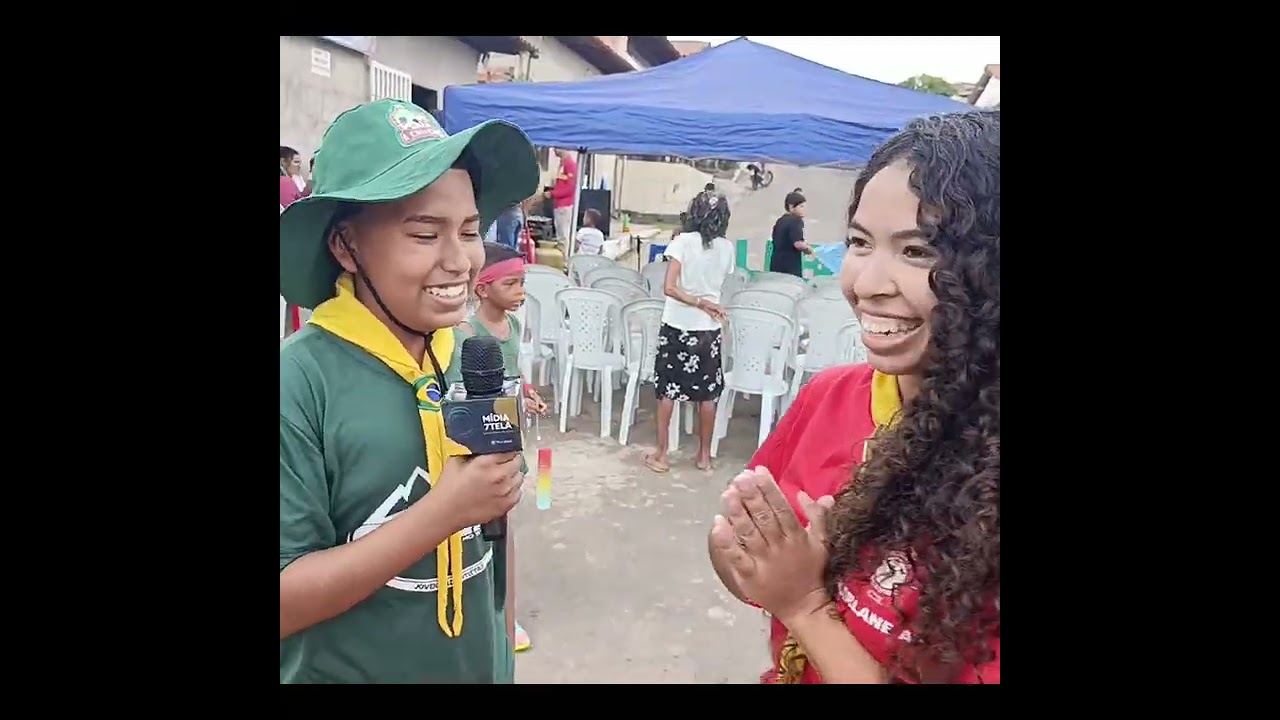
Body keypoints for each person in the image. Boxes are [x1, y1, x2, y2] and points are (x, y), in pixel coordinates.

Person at [707, 110, 1000, 684]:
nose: (866, 283)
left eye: (918, 251)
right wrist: (748, 553)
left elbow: (790, 598)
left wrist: (805, 605)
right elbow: (746, 569)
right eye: (860, 243)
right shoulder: (830, 395)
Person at [279, 98, 540, 684]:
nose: (460, 261)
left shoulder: (477, 354)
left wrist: (501, 649)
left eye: (470, 231)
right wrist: (442, 513)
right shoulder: (300, 384)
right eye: (424, 233)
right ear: (345, 246)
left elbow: (496, 524)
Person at [445, 242, 548, 656]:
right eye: (511, 283)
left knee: (504, 529)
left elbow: (513, 372)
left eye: (523, 282)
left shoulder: (514, 327)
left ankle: (506, 612)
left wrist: (526, 392)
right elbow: (462, 395)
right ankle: (479, 608)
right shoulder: (465, 335)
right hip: (479, 446)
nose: (520, 291)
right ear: (483, 288)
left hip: (510, 439)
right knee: (477, 530)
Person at [643, 192, 734, 474]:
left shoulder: (682, 242)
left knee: (667, 391)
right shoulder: (727, 248)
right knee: (707, 395)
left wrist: (698, 301)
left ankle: (662, 455)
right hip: (708, 329)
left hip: (677, 325)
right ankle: (704, 456)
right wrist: (706, 302)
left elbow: (669, 287)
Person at [769, 190, 813, 277]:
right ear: (791, 207)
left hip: (775, 265)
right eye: (801, 206)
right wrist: (809, 249)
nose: (804, 209)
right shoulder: (796, 221)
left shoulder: (780, 221)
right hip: (790, 268)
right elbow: (798, 244)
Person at [548, 148, 578, 252]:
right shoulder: (563, 164)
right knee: (560, 234)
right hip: (559, 204)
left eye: (556, 147)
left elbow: (570, 188)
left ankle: (565, 257)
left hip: (564, 205)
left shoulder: (570, 165)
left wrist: (552, 193)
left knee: (563, 235)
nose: (554, 150)